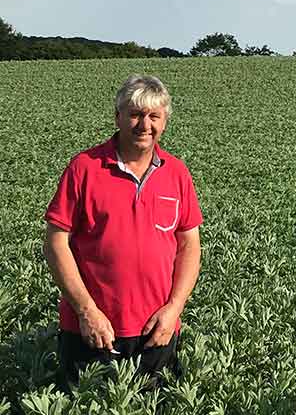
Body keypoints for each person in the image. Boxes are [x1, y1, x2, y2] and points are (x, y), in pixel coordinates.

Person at [43, 74, 203, 389]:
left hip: (157, 330)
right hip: (92, 331)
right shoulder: (85, 167)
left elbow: (189, 246)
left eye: (154, 116)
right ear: (117, 117)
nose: (145, 124)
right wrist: (86, 311)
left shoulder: (177, 173)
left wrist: (174, 309)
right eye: (135, 114)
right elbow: (55, 241)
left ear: (165, 122)